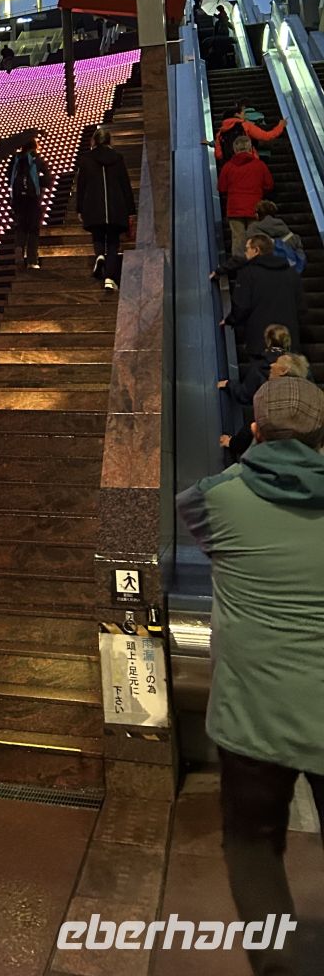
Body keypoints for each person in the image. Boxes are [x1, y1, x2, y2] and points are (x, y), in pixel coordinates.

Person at [177, 377, 324, 976]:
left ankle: (278, 965)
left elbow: (203, 525)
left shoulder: (212, 500)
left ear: (255, 431)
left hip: (251, 717)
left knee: (253, 843)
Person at [217, 323, 293, 459]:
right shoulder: (297, 368)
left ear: (268, 341)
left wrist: (229, 384)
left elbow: (244, 395)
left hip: (269, 426)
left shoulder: (260, 366)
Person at [74, 126, 135, 292]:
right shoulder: (118, 158)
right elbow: (125, 184)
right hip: (116, 207)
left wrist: (79, 208)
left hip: (93, 206)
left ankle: (100, 256)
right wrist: (131, 211)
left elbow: (81, 186)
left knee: (98, 235)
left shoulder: (86, 159)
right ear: (109, 141)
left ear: (94, 141)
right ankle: (109, 278)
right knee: (113, 242)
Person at [226, 234, 304, 361]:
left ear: (256, 250)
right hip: (288, 341)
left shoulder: (247, 273)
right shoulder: (291, 273)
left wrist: (231, 320)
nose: (245, 253)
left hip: (260, 343)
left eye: (247, 249)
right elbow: (301, 308)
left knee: (262, 372)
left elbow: (242, 306)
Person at [219, 136, 275, 259]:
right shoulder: (260, 165)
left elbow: (222, 188)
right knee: (255, 237)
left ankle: (238, 265)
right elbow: (269, 185)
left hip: (234, 208)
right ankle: (257, 263)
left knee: (238, 238)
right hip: (255, 208)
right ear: (250, 149)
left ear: (235, 150)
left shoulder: (228, 167)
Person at [6, 133, 50, 270]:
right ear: (34, 146)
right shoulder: (37, 159)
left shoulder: (15, 159)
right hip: (32, 199)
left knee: (21, 226)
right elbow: (47, 179)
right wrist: (39, 182)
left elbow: (8, 177)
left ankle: (19, 248)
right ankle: (32, 260)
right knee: (33, 228)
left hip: (18, 199)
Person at [213, 103, 286, 164]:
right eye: (243, 113)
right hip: (249, 162)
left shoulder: (220, 133)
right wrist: (280, 126)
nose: (244, 116)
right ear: (237, 114)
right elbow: (266, 136)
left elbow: (218, 155)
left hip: (231, 165)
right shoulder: (244, 125)